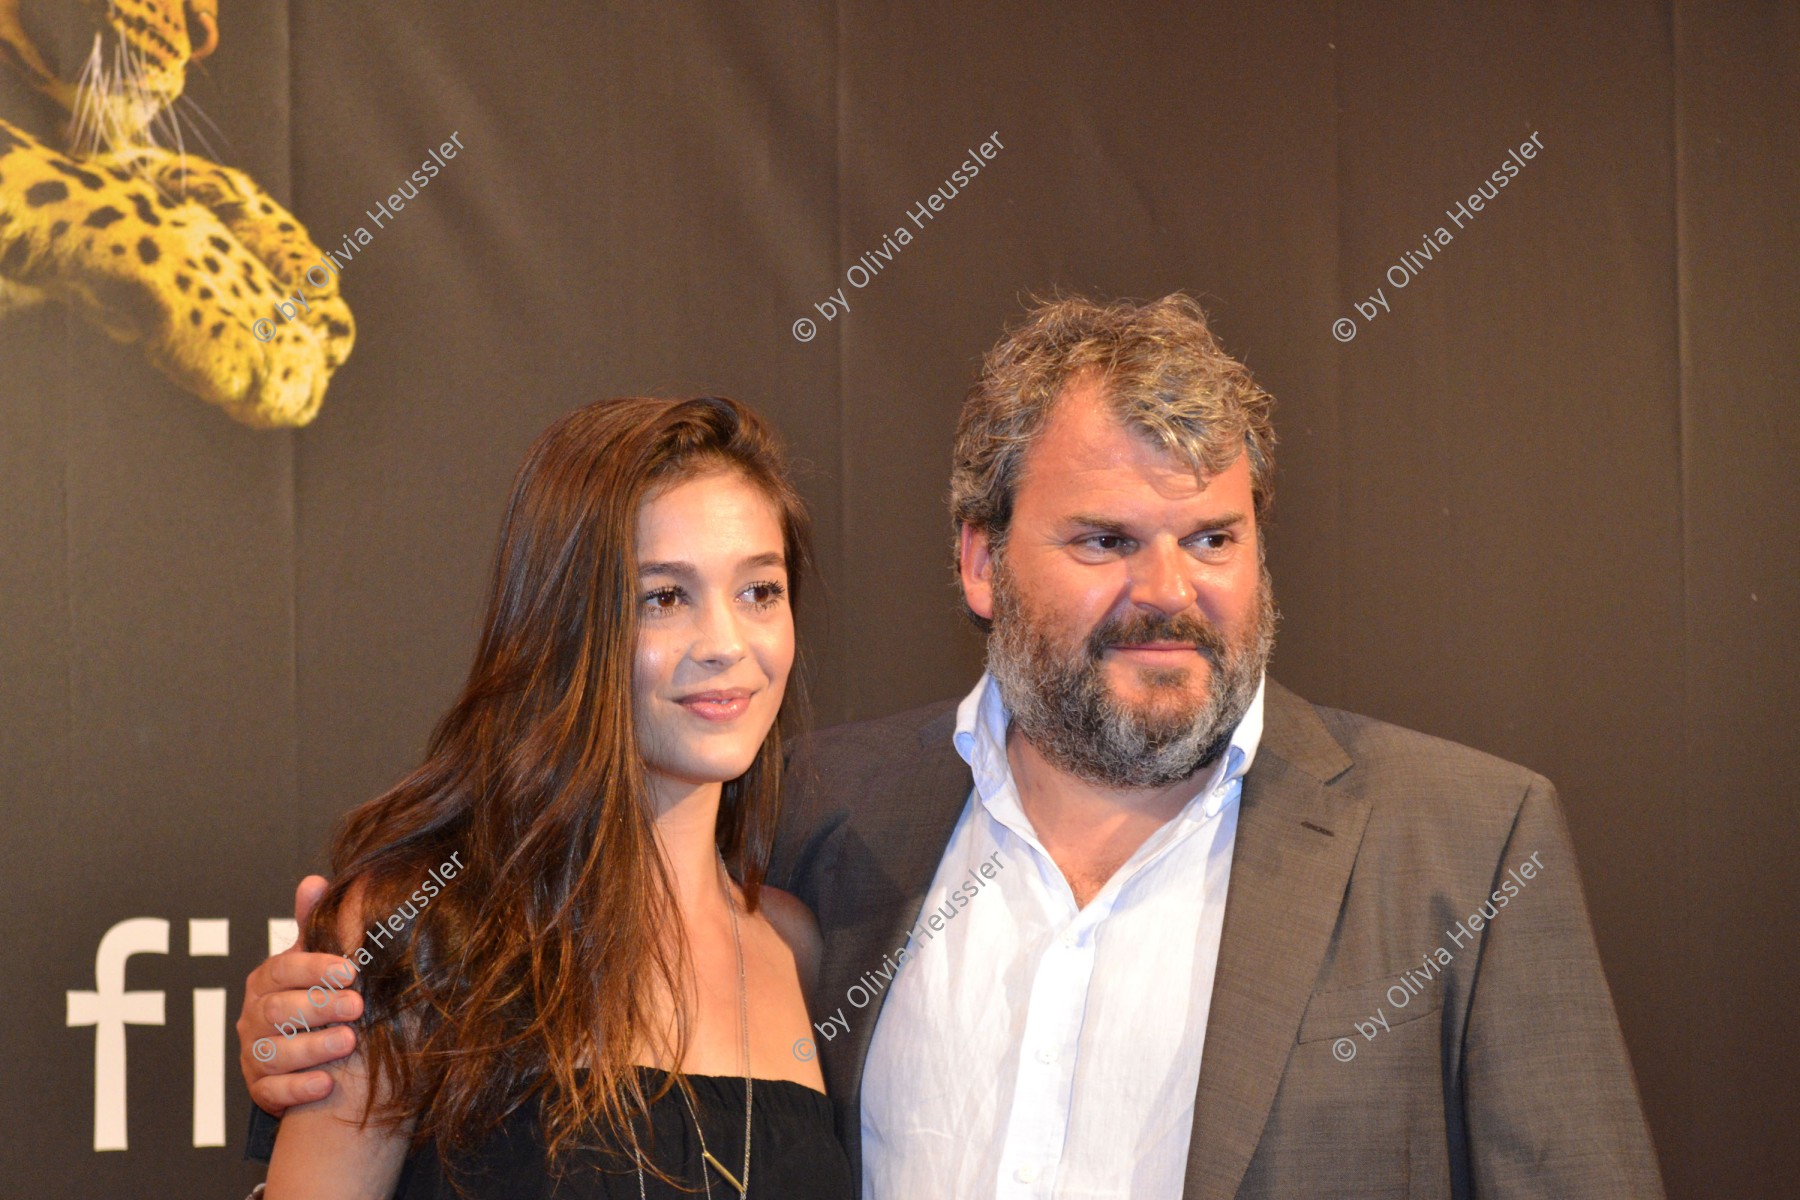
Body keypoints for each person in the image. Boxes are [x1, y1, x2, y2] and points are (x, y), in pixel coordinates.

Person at [241, 295, 1665, 1198]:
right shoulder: (821, 828)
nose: (1170, 592)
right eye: (1106, 539)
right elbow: (459, 1072)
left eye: (1213, 539)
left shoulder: (1462, 846)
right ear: (981, 562)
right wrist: (311, 1042)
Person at [250, 395, 855, 1198]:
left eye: (760, 592)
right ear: (566, 627)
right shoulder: (427, 929)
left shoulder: (793, 947)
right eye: (663, 597)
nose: (726, 646)